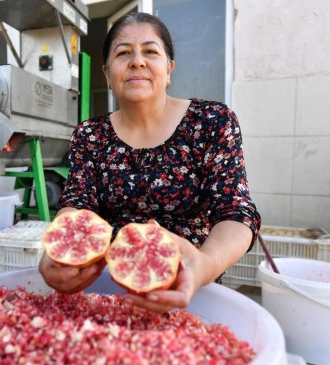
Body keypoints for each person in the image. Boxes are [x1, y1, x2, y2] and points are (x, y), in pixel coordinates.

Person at [38, 12, 261, 312]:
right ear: (107, 73)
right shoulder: (90, 135)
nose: (137, 61)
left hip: (190, 289)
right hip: (108, 289)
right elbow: (77, 204)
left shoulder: (212, 122)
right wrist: (60, 248)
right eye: (123, 53)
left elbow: (236, 211)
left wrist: (205, 264)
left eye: (151, 51)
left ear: (169, 69)